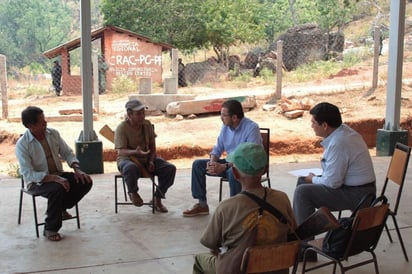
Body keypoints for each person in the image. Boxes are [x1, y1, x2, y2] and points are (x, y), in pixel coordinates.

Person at [193, 143, 297, 274]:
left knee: (200, 260)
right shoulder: (282, 198)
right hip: (277, 268)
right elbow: (292, 231)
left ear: (235, 174)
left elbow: (211, 244)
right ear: (265, 170)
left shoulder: (226, 208)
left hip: (240, 269)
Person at [293, 102, 376, 259]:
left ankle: (305, 250)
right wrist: (313, 179)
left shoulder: (339, 143)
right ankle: (303, 237)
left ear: (324, 125)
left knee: (302, 192)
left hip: (359, 195)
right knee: (303, 182)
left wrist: (314, 178)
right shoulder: (343, 132)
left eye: (313, 123)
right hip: (361, 189)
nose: (311, 126)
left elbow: (333, 183)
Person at [15, 106, 93, 241]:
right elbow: (27, 173)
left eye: (45, 119)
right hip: (38, 182)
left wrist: (76, 169)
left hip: (58, 174)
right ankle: (50, 228)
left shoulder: (53, 134)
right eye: (42, 121)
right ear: (30, 125)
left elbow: (67, 153)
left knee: (85, 181)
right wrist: (53, 178)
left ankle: (61, 209)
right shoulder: (23, 144)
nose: (46, 123)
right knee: (57, 188)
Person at [183, 99, 262, 217]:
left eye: (224, 115)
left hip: (247, 166)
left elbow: (249, 157)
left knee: (232, 171)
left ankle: (236, 208)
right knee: (198, 165)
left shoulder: (251, 128)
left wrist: (224, 166)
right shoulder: (226, 126)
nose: (221, 118)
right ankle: (202, 205)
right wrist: (212, 163)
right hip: (229, 162)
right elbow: (218, 147)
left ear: (234, 117)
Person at [114, 99, 176, 213]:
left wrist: (152, 160)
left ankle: (157, 199)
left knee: (169, 169)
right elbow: (121, 151)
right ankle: (133, 192)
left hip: (146, 158)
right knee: (130, 168)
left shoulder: (147, 125)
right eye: (138, 114)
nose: (142, 116)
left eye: (143, 113)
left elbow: (152, 146)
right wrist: (135, 152)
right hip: (127, 159)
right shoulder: (121, 128)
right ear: (129, 114)